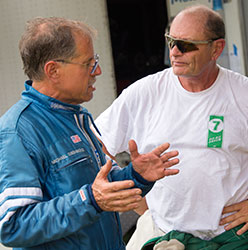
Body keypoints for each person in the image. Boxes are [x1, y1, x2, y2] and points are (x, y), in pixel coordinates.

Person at [93, 4, 248, 249]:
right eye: (170, 41)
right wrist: (131, 193)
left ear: (216, 49)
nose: (174, 52)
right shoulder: (144, 93)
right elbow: (97, 144)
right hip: (166, 235)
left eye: (185, 45)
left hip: (235, 238)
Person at [0, 17, 180, 250]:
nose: (98, 71)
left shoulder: (77, 117)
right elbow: (13, 225)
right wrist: (90, 200)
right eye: (88, 63)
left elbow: (103, 190)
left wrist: (137, 176)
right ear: (53, 70)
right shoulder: (18, 131)